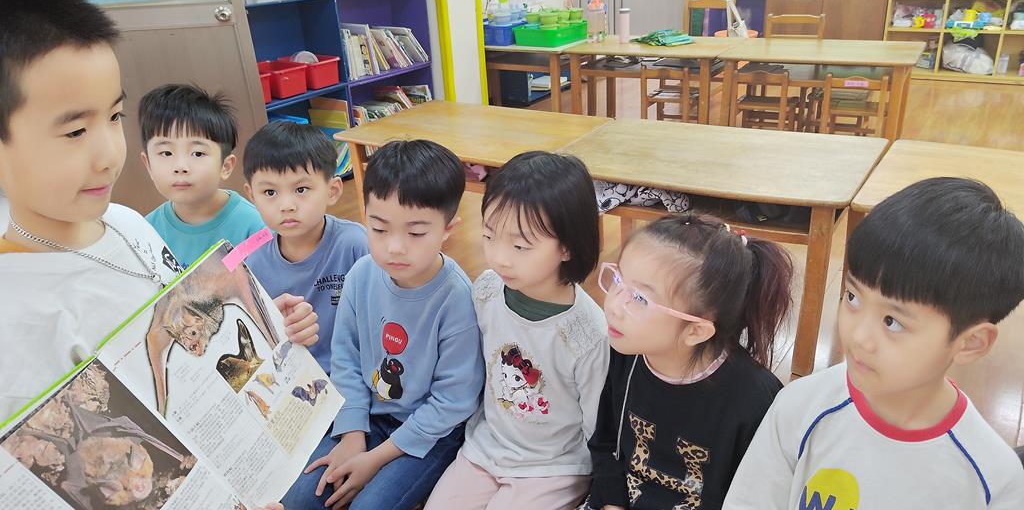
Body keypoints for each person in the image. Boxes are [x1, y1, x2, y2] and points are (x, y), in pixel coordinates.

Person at [0, 0, 318, 425]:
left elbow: (191, 328)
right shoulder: (18, 320)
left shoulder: (128, 223)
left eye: (114, 116)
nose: (110, 155)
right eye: (75, 131)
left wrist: (263, 323)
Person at [724, 177, 1024, 509]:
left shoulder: (993, 480)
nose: (858, 337)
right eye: (853, 297)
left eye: (892, 321)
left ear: (970, 343)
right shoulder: (800, 406)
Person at [282, 140, 484, 510]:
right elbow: (345, 358)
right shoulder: (362, 275)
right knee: (299, 499)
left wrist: (374, 460)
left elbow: (453, 402)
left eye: (416, 233)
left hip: (429, 436)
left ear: (448, 228)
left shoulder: (456, 299)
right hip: (369, 417)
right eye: (379, 229)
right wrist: (352, 434)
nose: (395, 247)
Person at [426, 151, 607, 510]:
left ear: (567, 246)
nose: (499, 257)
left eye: (521, 246)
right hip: (485, 447)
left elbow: (598, 425)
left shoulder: (587, 333)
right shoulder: (487, 289)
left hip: (552, 467)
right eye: (489, 236)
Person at [586, 213, 792, 509]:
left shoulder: (754, 400)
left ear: (695, 331)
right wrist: (611, 503)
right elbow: (606, 444)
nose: (614, 305)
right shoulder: (626, 351)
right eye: (618, 280)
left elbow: (756, 496)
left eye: (640, 299)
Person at [244, 120, 369, 374]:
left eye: (301, 189)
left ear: (332, 190)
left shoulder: (356, 244)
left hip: (355, 373)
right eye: (270, 193)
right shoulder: (249, 258)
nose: (286, 205)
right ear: (251, 195)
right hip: (289, 376)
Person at [140, 84, 264, 267]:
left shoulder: (255, 228)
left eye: (197, 153)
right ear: (148, 165)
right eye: (166, 153)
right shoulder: (145, 232)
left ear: (226, 166)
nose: (180, 167)